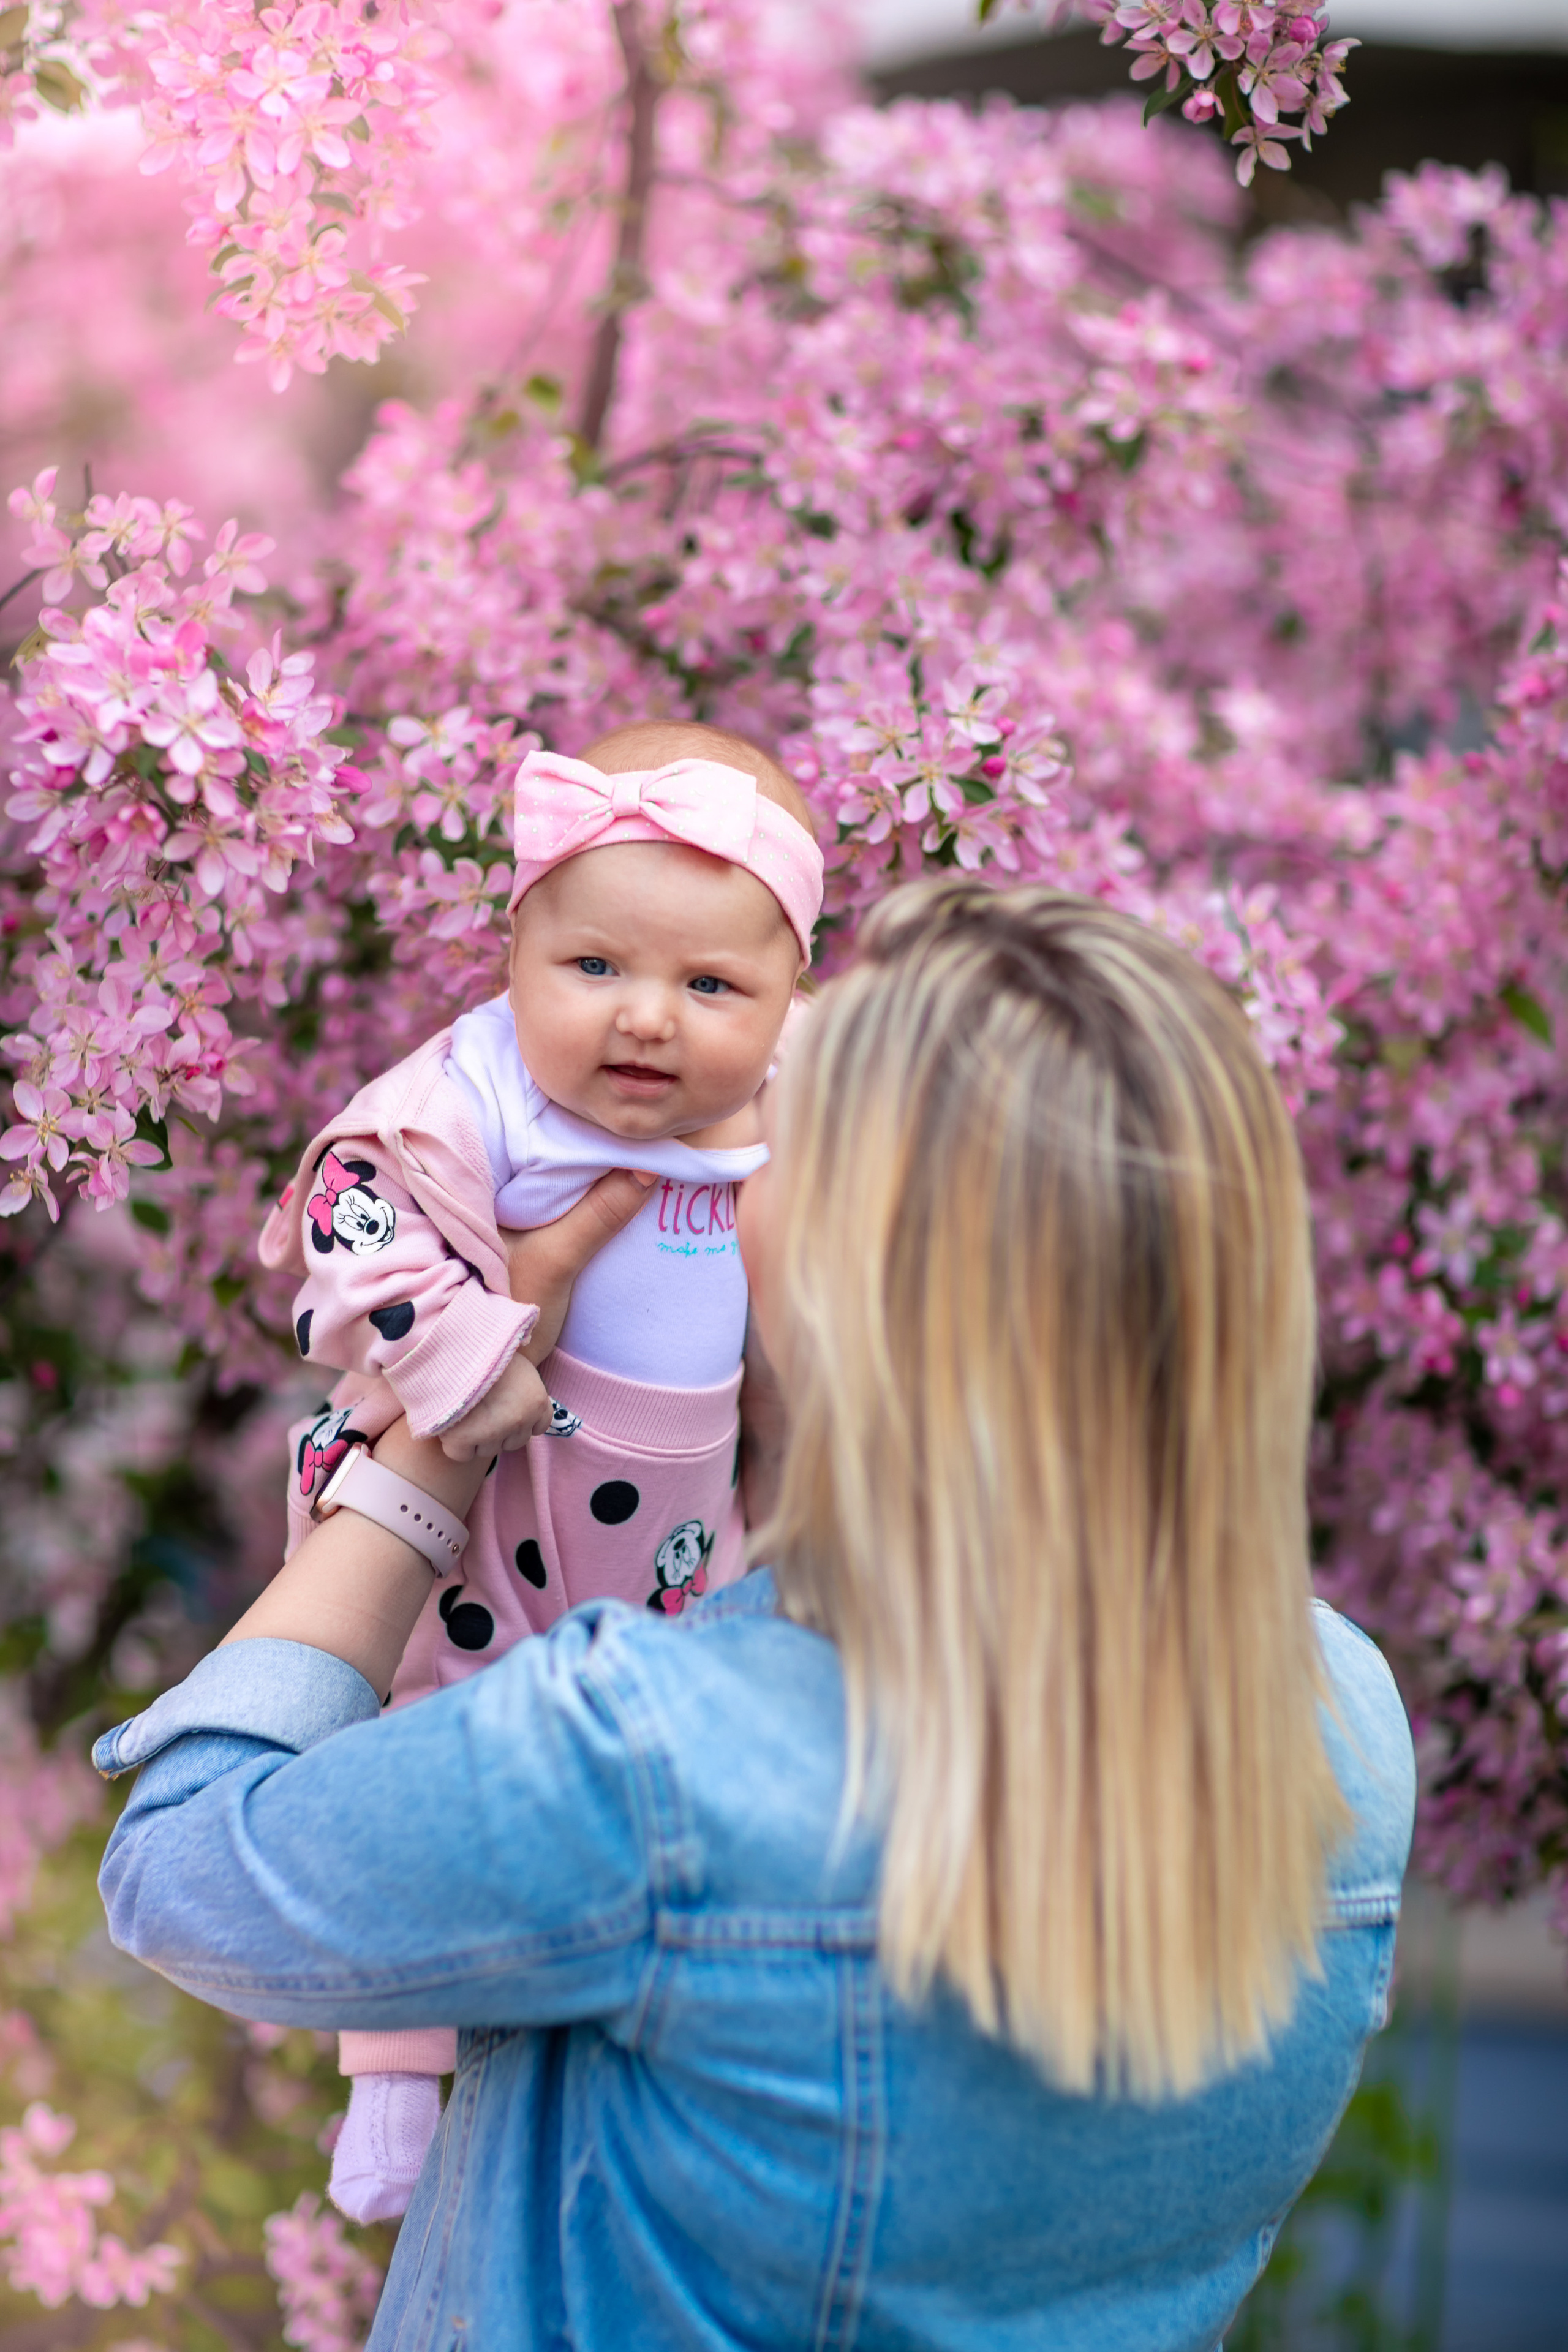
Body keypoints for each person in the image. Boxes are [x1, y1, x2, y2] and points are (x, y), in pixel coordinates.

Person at [96, 880, 1415, 2352]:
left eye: (784, 1105)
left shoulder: (657, 1760)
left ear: (853, 1265)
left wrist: (431, 1443)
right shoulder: (1341, 1724)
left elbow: (180, 1866)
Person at [256, 716, 822, 2218]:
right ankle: (392, 2071)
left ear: (788, 997)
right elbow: (352, 1218)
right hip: (486, 1508)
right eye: (594, 966)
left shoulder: (790, 1099)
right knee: (411, 1751)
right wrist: (463, 1353)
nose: (646, 1019)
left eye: (711, 986)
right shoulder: (477, 1089)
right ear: (512, 955)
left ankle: (628, 2039)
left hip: (670, 1536)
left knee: (653, 1772)